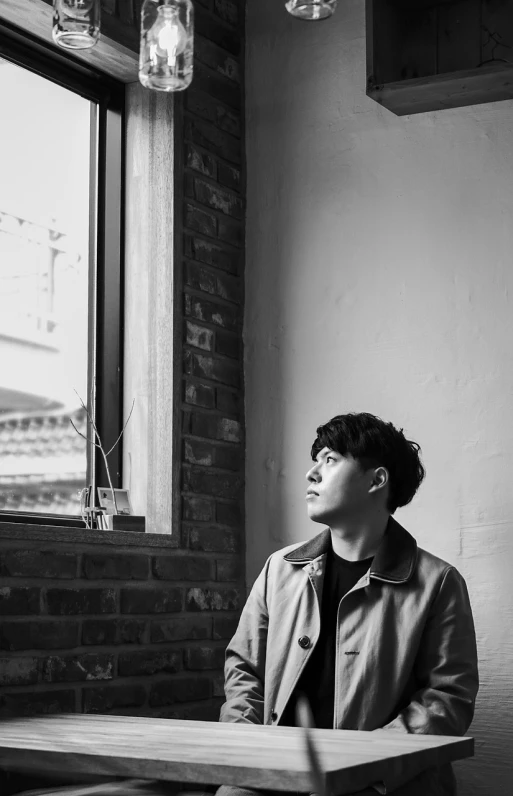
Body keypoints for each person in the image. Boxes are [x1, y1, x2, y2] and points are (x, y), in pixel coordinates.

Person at [218, 412, 479, 796]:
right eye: (315, 460)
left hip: (381, 783)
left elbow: (446, 700)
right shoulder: (280, 569)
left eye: (330, 460)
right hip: (271, 773)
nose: (312, 473)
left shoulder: (438, 583)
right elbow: (244, 669)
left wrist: (362, 769)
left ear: (377, 480)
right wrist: (249, 753)